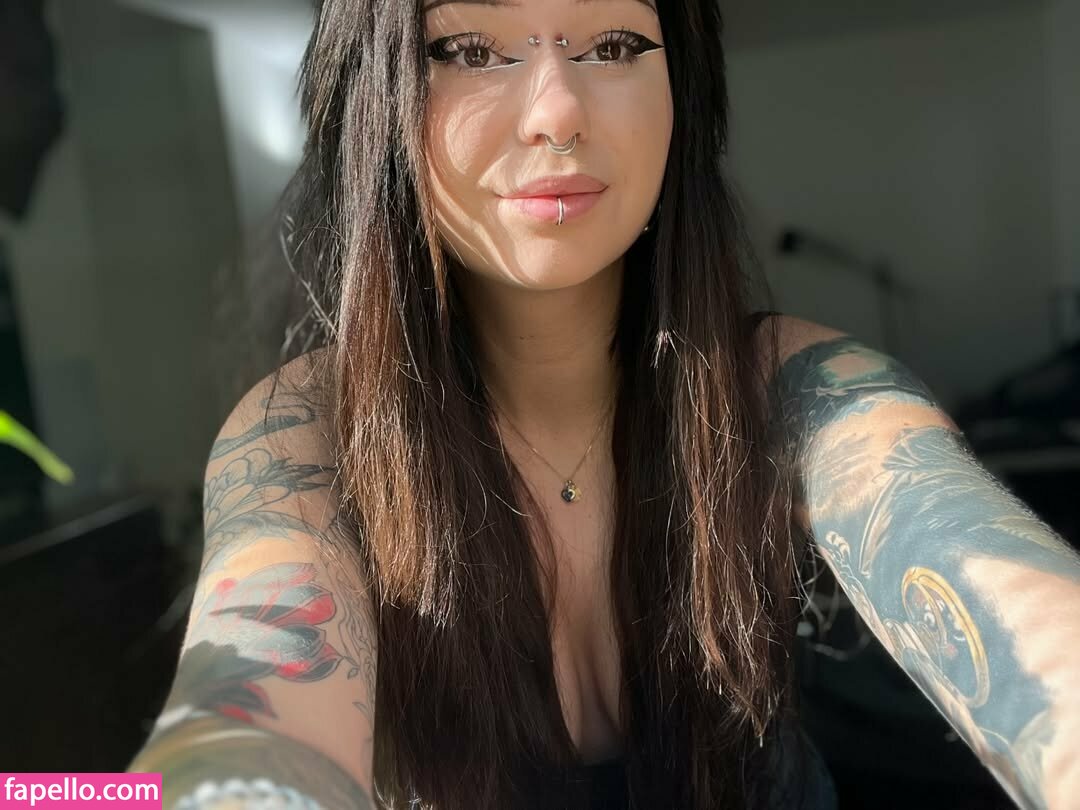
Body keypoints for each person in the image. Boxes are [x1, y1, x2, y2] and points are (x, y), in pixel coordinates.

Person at [129, 0, 1080, 807]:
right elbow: (244, 725)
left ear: (682, 95)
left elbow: (1006, 599)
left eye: (615, 45)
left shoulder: (797, 390)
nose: (556, 111)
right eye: (470, 50)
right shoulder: (307, 437)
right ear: (375, 101)